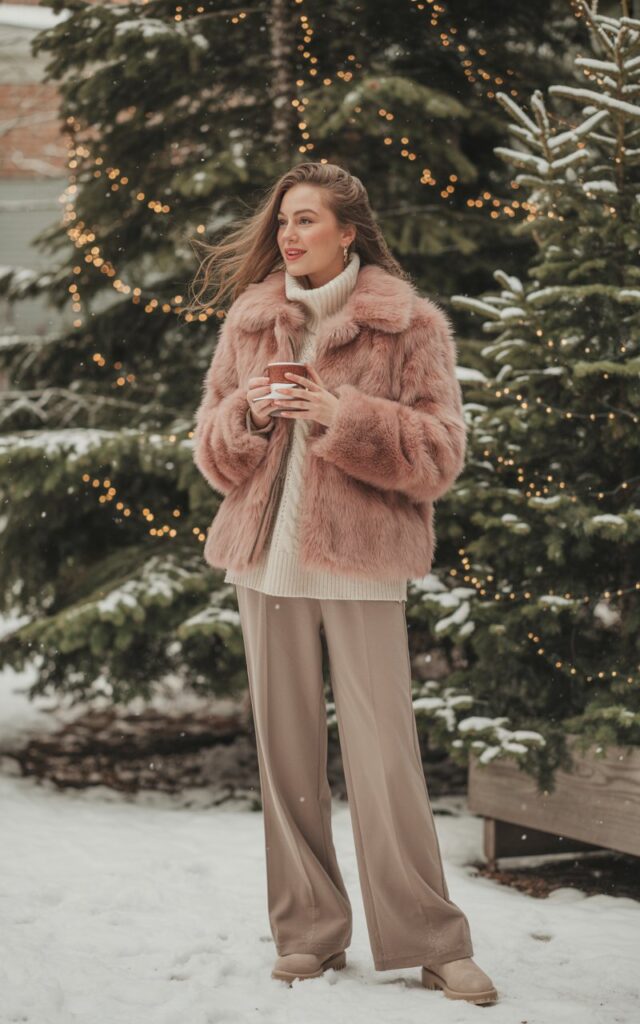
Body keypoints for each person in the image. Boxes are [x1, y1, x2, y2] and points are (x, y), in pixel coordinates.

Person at [189, 161, 498, 1005]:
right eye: (283, 221)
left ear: (348, 232)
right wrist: (246, 416)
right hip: (263, 564)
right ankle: (309, 934)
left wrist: (342, 417)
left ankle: (432, 940)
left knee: (384, 757)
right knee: (285, 751)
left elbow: (441, 454)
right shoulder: (251, 320)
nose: (288, 235)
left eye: (307, 221)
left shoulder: (409, 325)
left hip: (361, 566)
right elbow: (212, 453)